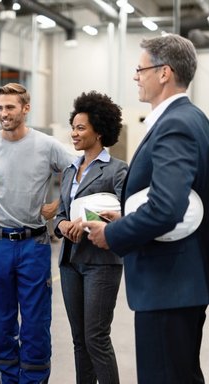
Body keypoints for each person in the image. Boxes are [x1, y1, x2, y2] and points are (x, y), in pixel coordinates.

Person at [82, 34, 209, 384]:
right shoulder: (190, 118)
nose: (136, 76)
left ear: (164, 72)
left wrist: (115, 233)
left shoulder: (176, 124)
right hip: (177, 283)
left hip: (169, 283)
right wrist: (130, 218)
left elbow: (167, 207)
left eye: (141, 68)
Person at [0, 83, 75, 384]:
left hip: (33, 245)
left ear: (25, 108)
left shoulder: (47, 145)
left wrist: (58, 204)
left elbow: (78, 171)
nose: (3, 113)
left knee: (36, 324)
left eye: (10, 107)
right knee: (2, 322)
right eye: (0, 108)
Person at [53, 91, 127, 384]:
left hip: (101, 262)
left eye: (81, 127)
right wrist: (62, 226)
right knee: (79, 339)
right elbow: (60, 213)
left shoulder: (118, 171)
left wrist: (83, 223)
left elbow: (125, 216)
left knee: (96, 337)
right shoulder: (71, 170)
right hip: (70, 262)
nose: (74, 133)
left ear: (99, 131)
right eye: (73, 127)